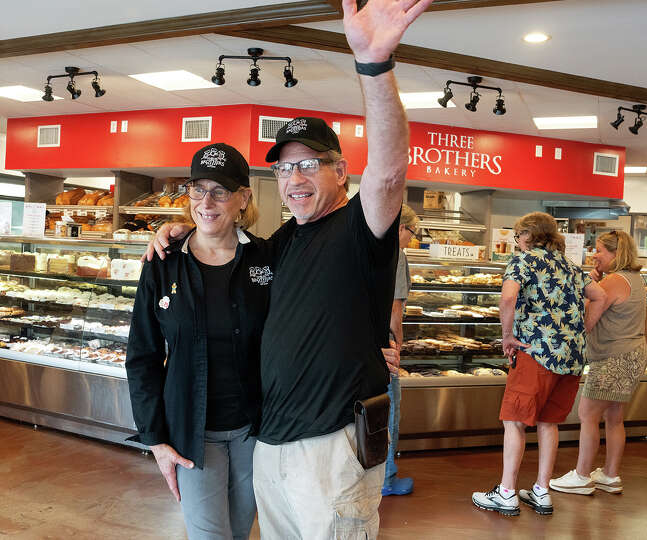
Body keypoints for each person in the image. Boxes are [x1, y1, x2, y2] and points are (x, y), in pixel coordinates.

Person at [146, 1, 435, 534]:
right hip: (271, 444)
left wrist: (374, 63)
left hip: (332, 445)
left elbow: (390, 173)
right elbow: (230, 246)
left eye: (308, 164)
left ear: (340, 172)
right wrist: (185, 229)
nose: (294, 178)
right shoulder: (283, 241)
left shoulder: (359, 227)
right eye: (282, 168)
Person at [125, 142, 274, 540]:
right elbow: (142, 355)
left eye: (220, 191)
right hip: (191, 435)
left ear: (243, 198)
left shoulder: (267, 259)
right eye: (198, 189)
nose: (206, 202)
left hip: (254, 432)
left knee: (239, 532)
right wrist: (155, 439)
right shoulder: (162, 262)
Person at [472, 212, 606, 517]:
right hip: (570, 358)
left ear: (527, 235)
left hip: (536, 352)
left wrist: (507, 336)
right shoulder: (571, 266)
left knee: (514, 422)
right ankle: (542, 491)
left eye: (518, 235)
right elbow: (599, 296)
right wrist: (580, 330)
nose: (517, 240)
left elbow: (508, 299)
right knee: (549, 422)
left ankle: (506, 493)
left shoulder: (524, 260)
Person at [550, 230, 647, 496]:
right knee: (614, 417)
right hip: (633, 354)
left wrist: (590, 286)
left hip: (613, 358)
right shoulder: (635, 278)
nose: (595, 255)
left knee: (587, 414)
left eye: (600, 250)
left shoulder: (613, 281)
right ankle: (609, 474)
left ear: (616, 254)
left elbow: (584, 316)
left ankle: (582, 476)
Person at [382, 204, 420, 496]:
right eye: (412, 232)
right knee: (389, 409)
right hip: (385, 344)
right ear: (400, 227)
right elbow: (395, 307)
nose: (412, 238)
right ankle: (387, 479)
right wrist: (399, 342)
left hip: (363, 341)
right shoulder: (397, 255)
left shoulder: (369, 249)